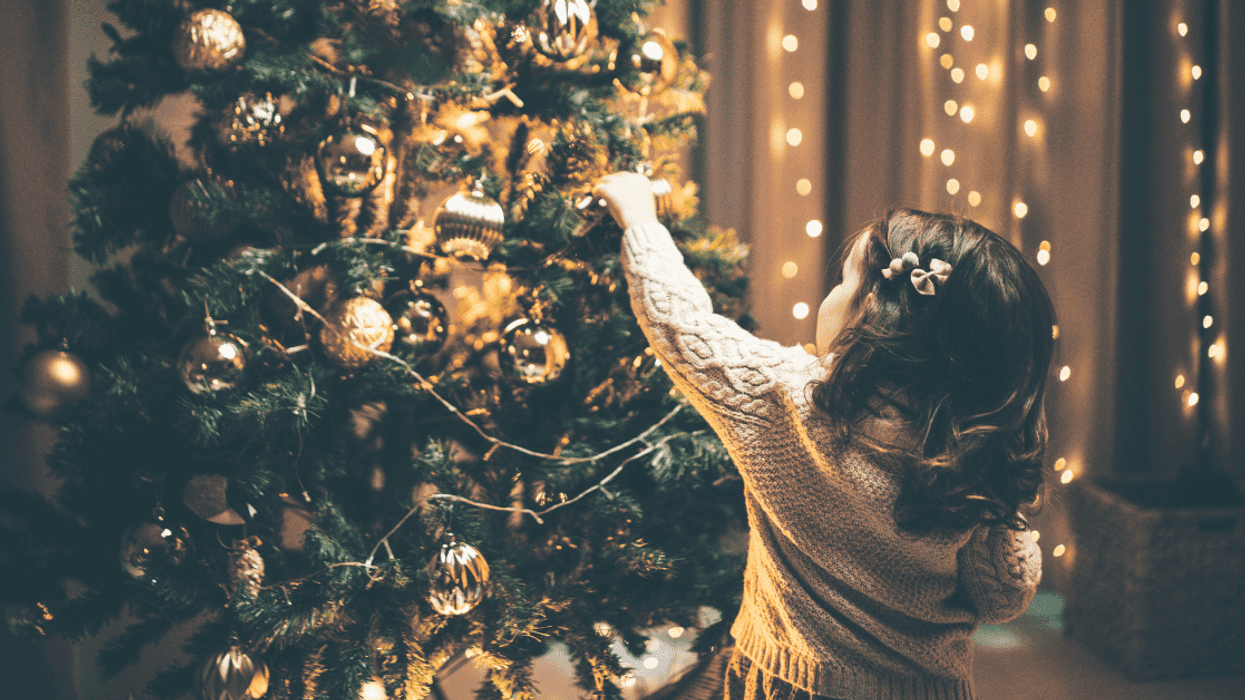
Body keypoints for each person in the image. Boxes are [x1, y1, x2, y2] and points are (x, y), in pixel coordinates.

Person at [593, 172, 1054, 700]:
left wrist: (641, 222)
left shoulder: (789, 399)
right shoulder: (975, 452)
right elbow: (1002, 596)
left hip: (785, 680)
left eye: (842, 281)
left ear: (874, 313)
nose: (830, 294)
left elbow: (681, 326)